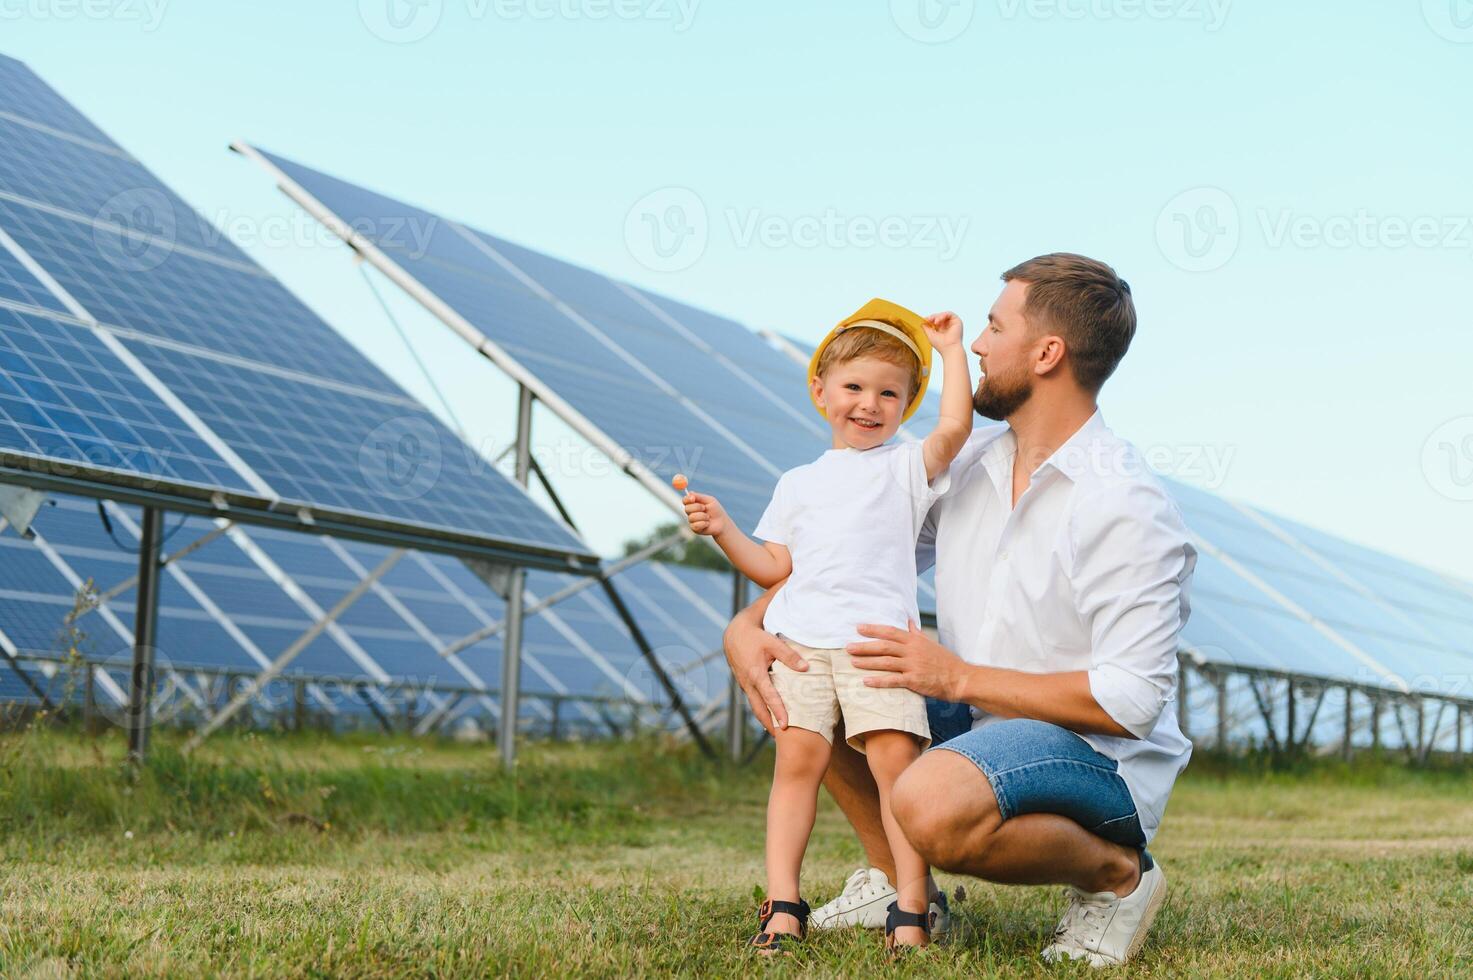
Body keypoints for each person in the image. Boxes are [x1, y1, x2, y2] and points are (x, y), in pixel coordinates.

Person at [723, 254, 1197, 967]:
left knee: (931, 800)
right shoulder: (969, 466)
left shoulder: (1124, 504)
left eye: (993, 327)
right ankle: (905, 889)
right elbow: (847, 563)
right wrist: (746, 628)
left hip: (1096, 757)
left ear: (1045, 354)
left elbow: (1130, 702)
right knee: (824, 673)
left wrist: (954, 679)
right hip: (978, 718)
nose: (974, 345)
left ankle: (1118, 878)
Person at [681, 298, 972, 954]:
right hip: (801, 645)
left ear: (907, 403)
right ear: (819, 391)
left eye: (888, 393)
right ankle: (782, 905)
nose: (868, 404)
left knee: (895, 768)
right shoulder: (796, 483)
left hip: (876, 647)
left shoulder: (905, 469)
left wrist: (952, 350)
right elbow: (771, 566)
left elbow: (954, 427)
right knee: (796, 764)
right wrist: (722, 527)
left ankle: (911, 907)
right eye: (853, 387)